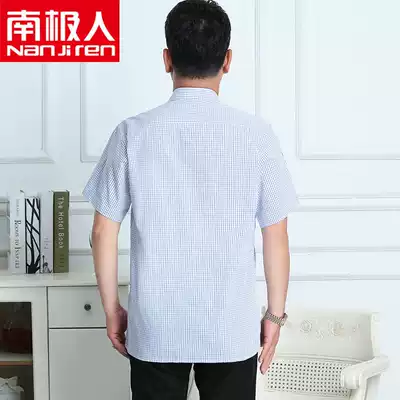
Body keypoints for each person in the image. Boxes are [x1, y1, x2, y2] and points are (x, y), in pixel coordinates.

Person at [83, 0, 298, 399]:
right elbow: (276, 235)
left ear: (167, 59)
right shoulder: (257, 136)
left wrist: (112, 310)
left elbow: (102, 232)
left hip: (155, 327)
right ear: (227, 61)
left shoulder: (132, 133)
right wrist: (274, 315)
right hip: (230, 327)